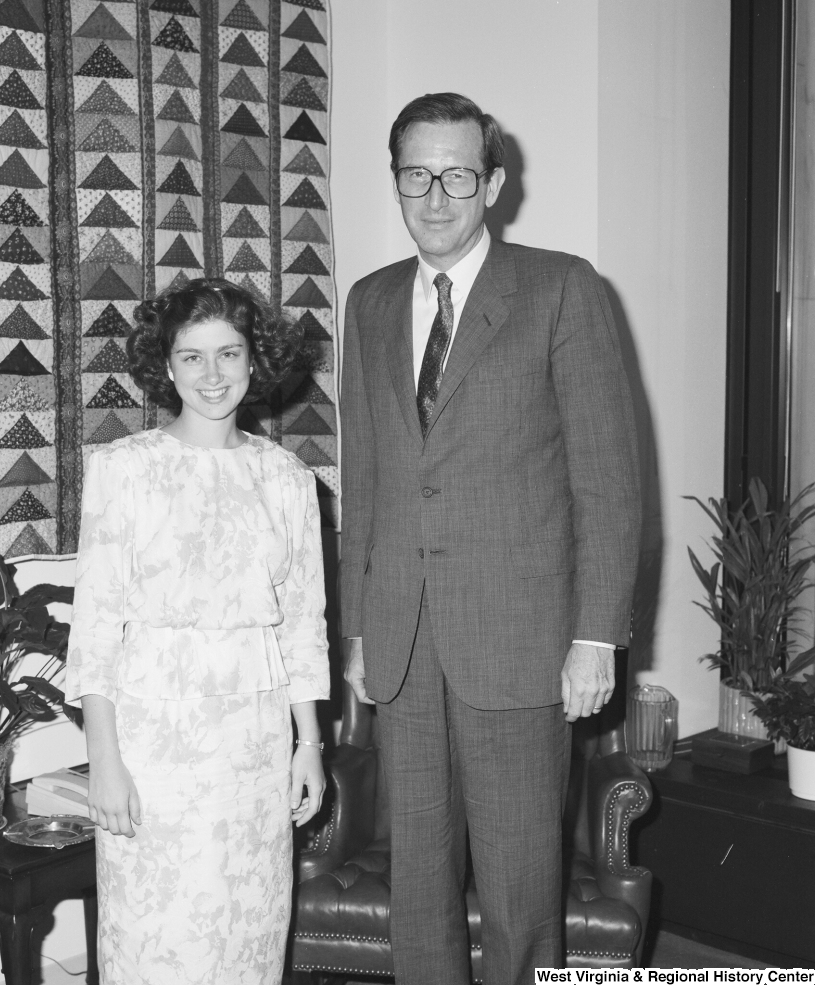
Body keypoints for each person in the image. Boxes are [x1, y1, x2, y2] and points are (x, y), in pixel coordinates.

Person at [339, 92, 641, 984]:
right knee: (417, 881)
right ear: (394, 180)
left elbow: (608, 481)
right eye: (415, 174)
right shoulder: (370, 300)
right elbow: (368, 481)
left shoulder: (560, 288)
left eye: (458, 174)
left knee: (518, 885)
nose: (436, 195)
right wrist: (359, 626)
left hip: (522, 638)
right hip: (404, 636)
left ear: (494, 183)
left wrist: (596, 637)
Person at [65, 278, 331, 985]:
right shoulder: (123, 469)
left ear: (255, 360)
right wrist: (105, 759)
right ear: (167, 365)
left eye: (229, 353)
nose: (212, 375)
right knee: (159, 940)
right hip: (155, 749)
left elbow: (304, 620)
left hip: (255, 745)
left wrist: (310, 743)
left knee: (248, 934)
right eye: (192, 357)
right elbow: (95, 624)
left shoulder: (289, 478)